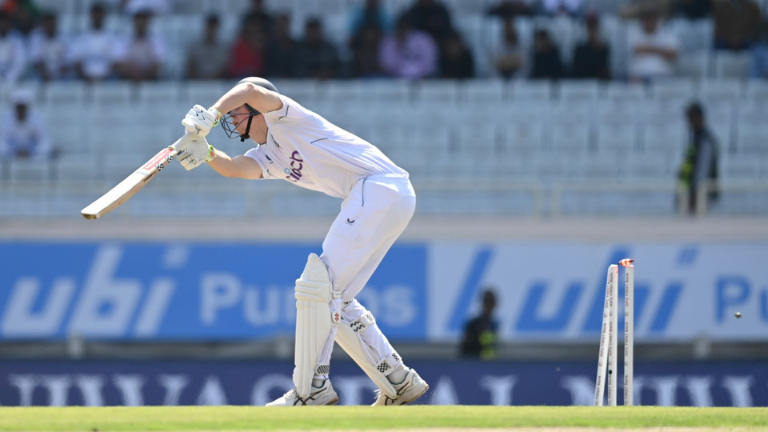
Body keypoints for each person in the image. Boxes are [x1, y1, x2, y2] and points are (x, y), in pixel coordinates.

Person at [175, 77, 428, 406]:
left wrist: (210, 113)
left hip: (377, 187)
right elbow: (235, 169)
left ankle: (312, 389)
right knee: (339, 298)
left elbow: (250, 90)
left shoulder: (288, 118)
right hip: (389, 196)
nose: (230, 118)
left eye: (236, 112)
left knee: (317, 285)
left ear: (258, 110)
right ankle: (398, 379)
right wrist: (205, 151)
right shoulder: (268, 156)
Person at [678, 102, 719, 214]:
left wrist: (695, 194)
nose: (689, 121)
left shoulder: (705, 140)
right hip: (690, 194)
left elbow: (703, 170)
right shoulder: (694, 139)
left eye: (692, 117)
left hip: (701, 197)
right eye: (688, 117)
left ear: (700, 117)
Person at [69, 3, 121, 82]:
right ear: (91, 15)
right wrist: (86, 77)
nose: (97, 17)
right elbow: (76, 62)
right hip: (84, 79)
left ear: (104, 16)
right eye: (95, 14)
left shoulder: (112, 38)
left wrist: (103, 77)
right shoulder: (81, 39)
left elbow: (116, 62)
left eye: (99, 14)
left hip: (107, 79)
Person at [627, 7, 679, 82]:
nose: (649, 21)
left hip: (663, 77)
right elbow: (637, 50)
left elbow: (673, 54)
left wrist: (649, 49)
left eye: (652, 18)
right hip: (639, 77)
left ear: (657, 19)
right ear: (642, 20)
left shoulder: (667, 33)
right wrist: (661, 50)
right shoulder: (633, 32)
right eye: (647, 18)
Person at [379, 14, 438, 79]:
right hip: (395, 80)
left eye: (405, 26)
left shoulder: (423, 39)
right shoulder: (389, 41)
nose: (403, 29)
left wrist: (421, 74)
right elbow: (386, 65)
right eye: (401, 26)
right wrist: (399, 45)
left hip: (422, 79)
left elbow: (430, 62)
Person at [114, 10, 167, 82]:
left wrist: (146, 76)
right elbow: (119, 63)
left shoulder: (157, 40)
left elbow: (159, 63)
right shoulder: (124, 39)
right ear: (134, 23)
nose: (141, 25)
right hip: (129, 78)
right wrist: (134, 74)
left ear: (147, 23)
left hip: (151, 78)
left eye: (143, 22)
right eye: (138, 22)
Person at [0, 91, 52, 160]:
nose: (21, 111)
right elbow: (2, 144)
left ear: (28, 108)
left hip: (34, 159)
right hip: (11, 158)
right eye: (18, 108)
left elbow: (44, 143)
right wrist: (15, 152)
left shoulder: (39, 120)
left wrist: (31, 153)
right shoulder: (5, 121)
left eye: (23, 108)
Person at [29, 12, 70, 81]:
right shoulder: (35, 37)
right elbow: (37, 60)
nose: (50, 27)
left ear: (56, 24)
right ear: (43, 25)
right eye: (47, 24)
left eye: (52, 24)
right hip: (41, 74)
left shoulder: (64, 38)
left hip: (61, 75)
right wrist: (45, 75)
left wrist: (56, 75)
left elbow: (68, 61)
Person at [186, 15, 229, 80]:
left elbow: (224, 68)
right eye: (210, 27)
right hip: (197, 82)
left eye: (213, 28)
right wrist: (199, 79)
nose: (211, 31)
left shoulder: (222, 48)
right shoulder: (195, 46)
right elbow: (191, 65)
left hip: (216, 82)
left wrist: (213, 80)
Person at [460, 289, 499, 359]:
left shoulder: (494, 325)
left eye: (491, 301)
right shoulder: (473, 324)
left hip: (491, 365)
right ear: (483, 303)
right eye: (487, 301)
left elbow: (494, 347)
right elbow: (465, 350)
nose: (489, 304)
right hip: (475, 365)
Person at [571, 13, 610, 80]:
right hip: (581, 83)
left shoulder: (604, 48)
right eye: (590, 27)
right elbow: (577, 70)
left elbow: (604, 72)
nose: (592, 30)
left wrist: (598, 49)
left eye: (594, 27)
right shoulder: (579, 49)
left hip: (597, 84)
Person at [228, 14, 267, 79]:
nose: (254, 34)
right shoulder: (239, 46)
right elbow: (234, 67)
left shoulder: (264, 49)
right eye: (251, 31)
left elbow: (262, 69)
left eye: (256, 32)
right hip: (238, 79)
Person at [0, 11, 26, 87]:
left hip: (14, 79)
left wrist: (9, 78)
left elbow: (20, 62)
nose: (2, 25)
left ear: (9, 24)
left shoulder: (17, 38)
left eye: (4, 23)